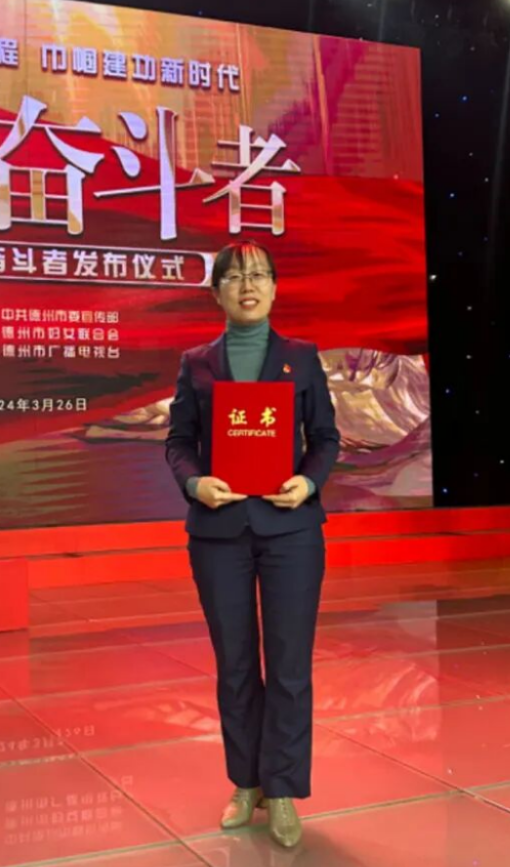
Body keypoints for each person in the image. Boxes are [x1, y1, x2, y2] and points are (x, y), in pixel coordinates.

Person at [165, 240, 340, 848]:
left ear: (274, 288)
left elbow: (325, 438)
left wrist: (308, 482)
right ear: (216, 292)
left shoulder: (301, 357)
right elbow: (178, 442)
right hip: (219, 533)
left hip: (291, 530)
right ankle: (247, 783)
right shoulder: (196, 363)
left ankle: (283, 788)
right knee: (235, 664)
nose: (249, 286)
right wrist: (195, 483)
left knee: (289, 665)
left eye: (260, 275)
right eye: (236, 277)